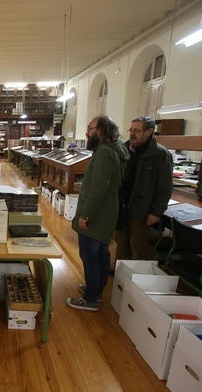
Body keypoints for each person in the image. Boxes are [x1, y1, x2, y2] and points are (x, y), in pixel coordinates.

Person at [66, 116, 129, 311]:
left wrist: (86, 215)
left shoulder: (104, 153)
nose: (87, 132)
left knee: (90, 255)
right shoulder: (118, 149)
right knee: (101, 253)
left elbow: (98, 189)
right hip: (108, 212)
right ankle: (96, 290)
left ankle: (92, 299)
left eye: (90, 128)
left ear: (101, 131)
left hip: (97, 215)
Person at [114, 116, 173, 260]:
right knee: (121, 242)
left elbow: (165, 187)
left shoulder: (160, 154)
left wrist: (156, 212)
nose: (132, 134)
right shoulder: (124, 149)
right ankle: (120, 276)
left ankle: (135, 278)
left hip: (141, 210)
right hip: (122, 206)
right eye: (131, 130)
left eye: (137, 131)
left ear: (149, 132)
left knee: (138, 246)